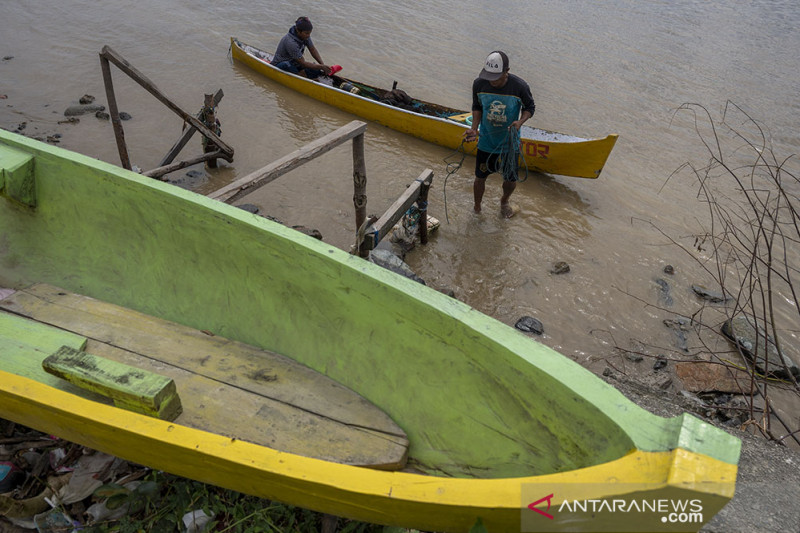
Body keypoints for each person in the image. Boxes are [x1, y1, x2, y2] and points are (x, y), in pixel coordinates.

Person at [463, 51, 535, 218]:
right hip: (486, 142)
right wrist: (474, 129)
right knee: (480, 177)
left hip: (509, 144)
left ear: (506, 71)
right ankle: (477, 208)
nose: (492, 82)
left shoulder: (520, 87)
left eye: (496, 77)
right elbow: (477, 107)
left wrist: (520, 122)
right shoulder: (479, 84)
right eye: (489, 77)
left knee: (510, 179)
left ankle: (504, 201)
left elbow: (530, 108)